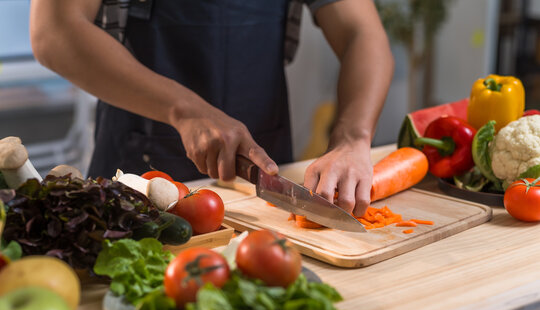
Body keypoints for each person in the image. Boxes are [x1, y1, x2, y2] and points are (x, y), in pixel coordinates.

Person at [30, 0, 394, 216]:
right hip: (137, 181)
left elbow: (362, 33)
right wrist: (185, 109)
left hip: (267, 182)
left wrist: (352, 139)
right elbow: (54, 33)